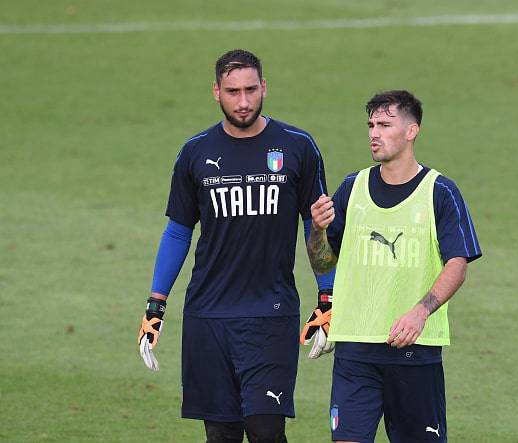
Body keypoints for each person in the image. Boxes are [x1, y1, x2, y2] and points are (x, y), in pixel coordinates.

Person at [137, 49, 333, 443]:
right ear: (216, 92)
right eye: (232, 91)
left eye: (250, 89)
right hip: (208, 316)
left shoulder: (298, 146)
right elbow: (178, 232)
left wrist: (327, 297)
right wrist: (155, 307)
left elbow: (317, 227)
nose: (243, 102)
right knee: (221, 435)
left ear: (264, 88)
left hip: (271, 315)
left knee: (266, 431)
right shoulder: (195, 152)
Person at [305, 90, 482, 443]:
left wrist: (420, 312)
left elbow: (457, 264)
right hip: (355, 347)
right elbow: (323, 261)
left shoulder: (440, 191)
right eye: (371, 124)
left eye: (385, 125)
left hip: (415, 351)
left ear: (412, 130)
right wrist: (317, 230)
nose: (374, 133)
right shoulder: (352, 188)